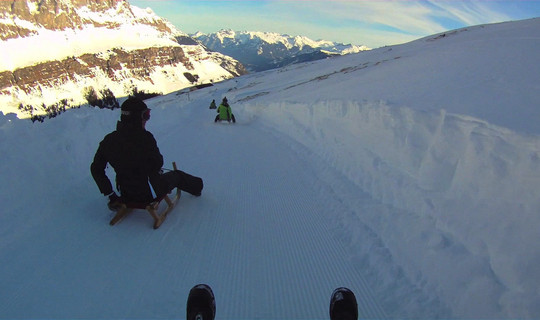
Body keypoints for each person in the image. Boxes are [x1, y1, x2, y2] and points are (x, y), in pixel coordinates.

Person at [91, 97, 203, 210]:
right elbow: (158, 162)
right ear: (135, 117)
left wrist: (110, 194)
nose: (146, 120)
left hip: (126, 193)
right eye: (145, 115)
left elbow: (96, 169)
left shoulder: (108, 141)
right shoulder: (146, 138)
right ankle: (198, 187)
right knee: (177, 175)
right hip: (151, 193)